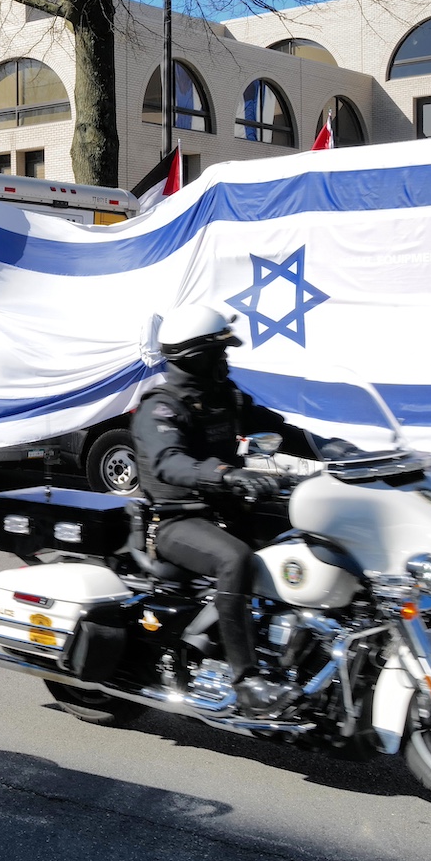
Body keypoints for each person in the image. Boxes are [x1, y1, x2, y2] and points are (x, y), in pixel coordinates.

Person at [130, 304, 337, 717]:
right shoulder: (161, 407)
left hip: (225, 510)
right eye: (218, 352)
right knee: (235, 558)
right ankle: (246, 682)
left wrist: (339, 450)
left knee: (310, 540)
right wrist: (226, 474)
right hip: (174, 521)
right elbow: (169, 461)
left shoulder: (225, 397)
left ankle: (307, 647)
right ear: (195, 357)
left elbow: (279, 430)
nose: (225, 359)